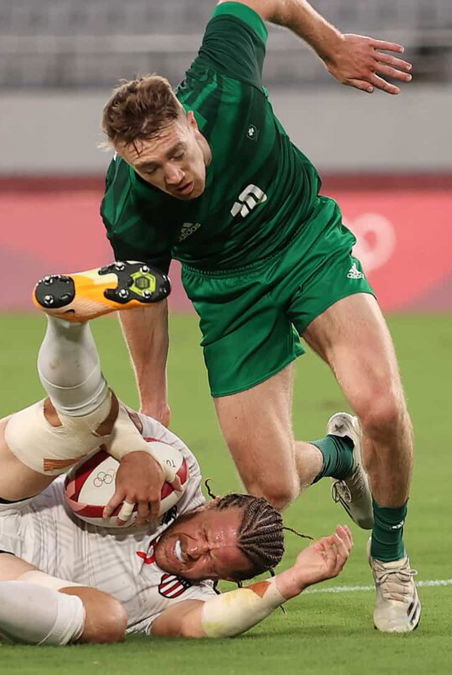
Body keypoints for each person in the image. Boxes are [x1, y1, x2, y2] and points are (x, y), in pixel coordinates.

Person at [77, 0, 421, 633]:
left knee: (380, 404)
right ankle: (339, 457)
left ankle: (392, 556)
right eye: (150, 168)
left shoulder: (224, 81)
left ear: (188, 117)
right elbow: (144, 296)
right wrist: (154, 406)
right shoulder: (129, 206)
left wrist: (331, 45)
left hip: (306, 244)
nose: (172, 176)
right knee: (274, 490)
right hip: (230, 293)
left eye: (177, 154)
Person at [0, 269, 352, 644]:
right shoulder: (179, 473)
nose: (197, 551)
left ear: (226, 580)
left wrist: (292, 582)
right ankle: (68, 320)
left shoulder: (179, 600)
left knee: (107, 620)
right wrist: (136, 455)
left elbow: (207, 623)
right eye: (208, 533)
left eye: (215, 563)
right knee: (81, 421)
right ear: (209, 505)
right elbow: (103, 412)